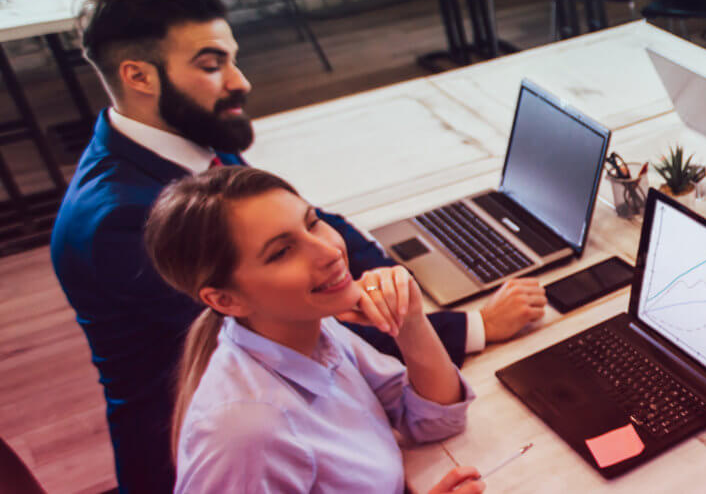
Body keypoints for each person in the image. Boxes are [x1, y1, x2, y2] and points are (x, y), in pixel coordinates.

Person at [48, 0, 545, 492]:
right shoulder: (117, 222)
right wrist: (472, 324)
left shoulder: (196, 142)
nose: (240, 81)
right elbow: (284, 312)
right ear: (139, 76)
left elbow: (314, 242)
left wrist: (387, 291)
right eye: (211, 64)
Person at [146, 167, 484, 493]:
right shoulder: (245, 433)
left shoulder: (315, 329)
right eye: (281, 252)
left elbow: (434, 421)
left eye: (313, 224)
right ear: (225, 300)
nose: (330, 252)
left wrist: (409, 320)